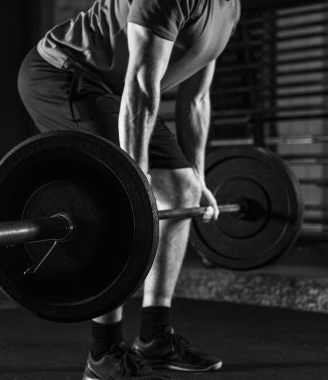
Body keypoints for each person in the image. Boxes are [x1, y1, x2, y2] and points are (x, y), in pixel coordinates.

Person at [18, 0, 241, 379]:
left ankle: (155, 338)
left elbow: (197, 100)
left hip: (118, 91)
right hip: (63, 73)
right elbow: (140, 84)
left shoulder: (229, 9)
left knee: (182, 191)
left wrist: (199, 176)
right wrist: (136, 183)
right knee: (117, 201)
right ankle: (104, 352)